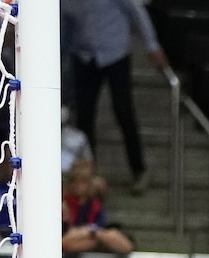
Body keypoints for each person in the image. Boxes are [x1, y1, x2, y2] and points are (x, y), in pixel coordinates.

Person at [66, 0, 166, 194]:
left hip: (114, 53)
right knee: (84, 117)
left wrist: (152, 45)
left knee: (123, 111)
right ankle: (88, 176)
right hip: (83, 55)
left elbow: (137, 12)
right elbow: (65, 23)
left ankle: (139, 169)